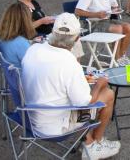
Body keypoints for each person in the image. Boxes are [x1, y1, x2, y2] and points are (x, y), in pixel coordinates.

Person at [22, 13, 120, 159]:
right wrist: (99, 85)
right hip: (55, 127)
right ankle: (93, 146)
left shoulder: (33, 49)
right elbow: (85, 104)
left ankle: (89, 141)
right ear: (77, 38)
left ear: (53, 32)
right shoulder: (69, 62)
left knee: (69, 92)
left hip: (29, 116)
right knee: (108, 94)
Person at [16, 0, 84, 59]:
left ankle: (74, 66)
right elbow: (24, 28)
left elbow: (42, 16)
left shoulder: (33, 2)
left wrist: (51, 19)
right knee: (73, 40)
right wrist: (42, 21)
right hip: (38, 37)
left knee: (75, 37)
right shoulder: (20, 7)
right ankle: (73, 66)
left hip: (49, 32)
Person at [75, 0, 130, 65]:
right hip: (92, 23)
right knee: (118, 29)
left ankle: (122, 56)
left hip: (107, 19)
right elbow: (77, 11)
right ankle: (117, 58)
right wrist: (96, 15)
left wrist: (116, 9)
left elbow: (114, 5)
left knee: (129, 27)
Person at [0, 2, 35, 68]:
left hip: (12, 74)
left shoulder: (0, 35)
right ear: (25, 21)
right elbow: (34, 66)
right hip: (24, 76)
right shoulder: (21, 43)